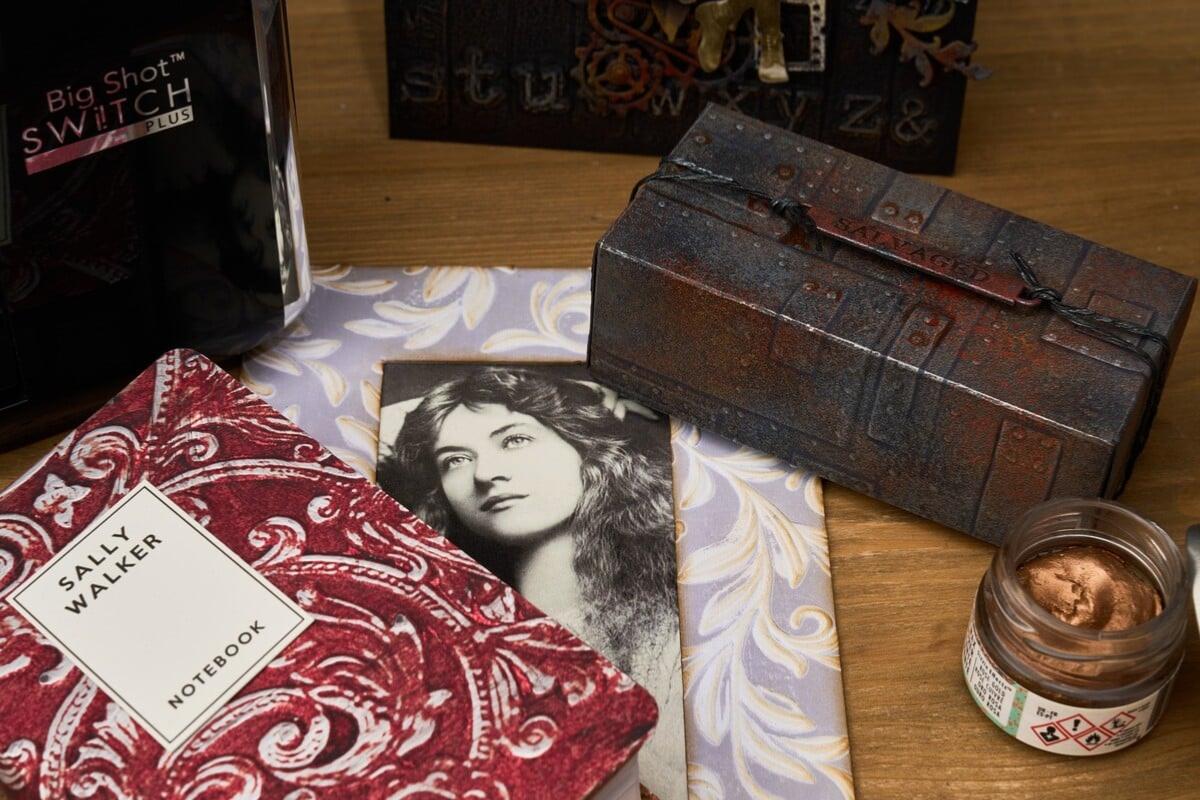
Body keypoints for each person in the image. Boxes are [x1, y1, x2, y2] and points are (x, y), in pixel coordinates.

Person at [380, 367, 679, 673]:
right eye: (456, 460)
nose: (484, 474)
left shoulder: (669, 616)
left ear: (585, 445)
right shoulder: (437, 630)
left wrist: (596, 396)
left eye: (515, 440)